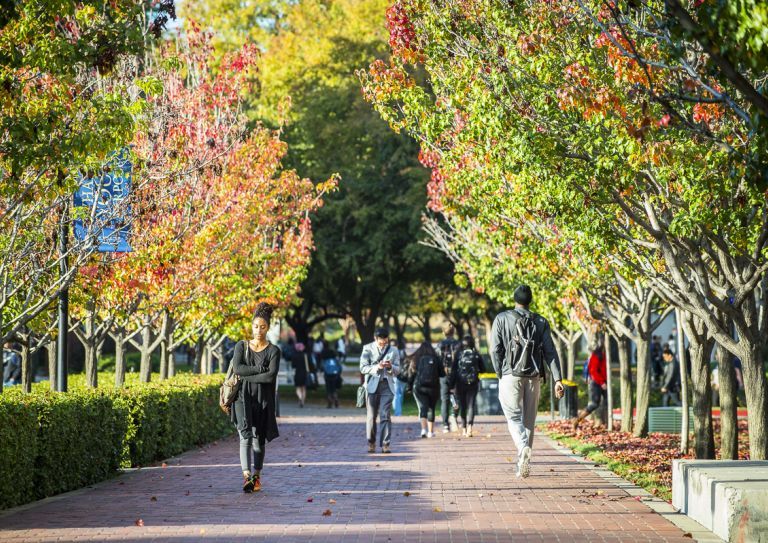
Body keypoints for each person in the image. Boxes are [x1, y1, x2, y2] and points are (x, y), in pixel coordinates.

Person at [491, 285, 564, 478]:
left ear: (514, 300)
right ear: (530, 300)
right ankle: (524, 460)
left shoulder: (501, 318)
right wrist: (558, 379)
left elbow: (494, 349)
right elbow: (550, 352)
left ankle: (522, 447)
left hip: (510, 375)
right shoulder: (540, 321)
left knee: (513, 416)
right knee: (529, 419)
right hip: (534, 377)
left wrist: (500, 372)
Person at [231, 302, 280, 493]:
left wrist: (247, 375)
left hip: (263, 399)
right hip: (242, 397)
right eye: (255, 326)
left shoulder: (274, 351)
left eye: (262, 327)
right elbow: (237, 369)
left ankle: (257, 476)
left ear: (267, 328)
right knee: (245, 436)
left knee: (259, 440)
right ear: (251, 326)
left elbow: (271, 376)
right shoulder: (241, 346)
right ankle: (246, 477)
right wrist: (258, 370)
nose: (258, 330)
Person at [360, 327, 400, 453]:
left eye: (385, 339)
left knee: (385, 415)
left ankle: (385, 444)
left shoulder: (394, 350)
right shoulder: (367, 348)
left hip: (387, 386)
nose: (383, 342)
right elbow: (363, 368)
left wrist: (390, 367)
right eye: (381, 340)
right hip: (372, 386)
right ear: (375, 338)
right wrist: (377, 367)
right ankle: (371, 442)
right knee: (371, 416)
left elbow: (398, 370)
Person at [448, 335, 486, 437]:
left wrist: (450, 385)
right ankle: (470, 428)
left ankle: (464, 429)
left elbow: (453, 371)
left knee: (463, 406)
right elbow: (483, 369)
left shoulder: (459, 355)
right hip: (473, 383)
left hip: (460, 383)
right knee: (471, 405)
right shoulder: (476, 354)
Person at [408, 341, 444, 438]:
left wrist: (409, 386)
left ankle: (423, 430)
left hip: (420, 387)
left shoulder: (416, 359)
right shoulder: (436, 359)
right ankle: (430, 432)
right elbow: (442, 373)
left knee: (423, 408)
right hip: (434, 387)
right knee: (431, 408)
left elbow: (411, 374)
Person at [572, 343, 607, 429]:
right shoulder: (597, 355)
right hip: (596, 383)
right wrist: (602, 382)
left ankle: (604, 424)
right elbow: (593, 371)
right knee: (594, 404)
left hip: (603, 382)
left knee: (608, 402)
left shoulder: (605, 355)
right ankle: (577, 420)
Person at [436, 323, 460, 433]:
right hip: (456, 374)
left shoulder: (440, 344)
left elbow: (436, 359)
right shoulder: (458, 344)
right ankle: (453, 416)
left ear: (443, 332)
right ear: (453, 332)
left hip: (443, 375)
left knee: (444, 400)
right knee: (457, 397)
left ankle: (445, 425)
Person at [290, 343, 314, 408]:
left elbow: (293, 366)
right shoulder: (306, 355)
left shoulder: (294, 356)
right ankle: (303, 401)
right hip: (305, 373)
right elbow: (311, 365)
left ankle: (300, 397)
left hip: (297, 373)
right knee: (304, 388)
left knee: (298, 387)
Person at [393, 341, 412, 417]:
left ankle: (397, 412)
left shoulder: (392, 353)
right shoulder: (404, 353)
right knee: (400, 394)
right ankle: (398, 411)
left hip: (395, 376)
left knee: (396, 395)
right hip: (404, 376)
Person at [321, 343, 342, 408]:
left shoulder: (324, 361)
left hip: (327, 375)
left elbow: (322, 368)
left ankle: (329, 402)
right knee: (334, 389)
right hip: (335, 375)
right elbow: (340, 368)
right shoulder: (335, 360)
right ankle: (336, 399)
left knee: (328, 389)